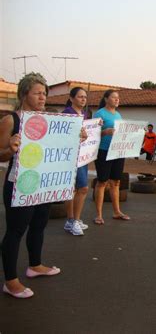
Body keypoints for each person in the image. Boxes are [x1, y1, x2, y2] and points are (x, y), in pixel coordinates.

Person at [0, 73, 61, 299]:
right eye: (37, 93)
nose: (43, 96)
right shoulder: (11, 120)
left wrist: (79, 138)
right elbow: (1, 154)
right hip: (20, 183)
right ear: (24, 94)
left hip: (42, 184)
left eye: (44, 93)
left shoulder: (48, 119)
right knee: (16, 231)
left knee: (39, 225)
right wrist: (11, 148)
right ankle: (10, 281)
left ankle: (35, 266)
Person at [93, 90, 130, 225]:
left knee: (116, 182)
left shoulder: (118, 114)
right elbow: (93, 133)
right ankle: (98, 214)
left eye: (118, 98)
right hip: (103, 151)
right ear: (106, 99)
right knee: (102, 182)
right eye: (114, 97)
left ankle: (117, 212)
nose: (117, 100)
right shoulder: (100, 114)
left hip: (117, 151)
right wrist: (105, 132)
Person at [63, 87, 90, 236]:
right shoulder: (67, 114)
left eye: (85, 97)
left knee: (76, 189)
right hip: (72, 157)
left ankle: (71, 220)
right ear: (72, 98)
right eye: (80, 97)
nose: (83, 99)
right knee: (81, 188)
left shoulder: (84, 114)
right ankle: (74, 220)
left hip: (83, 156)